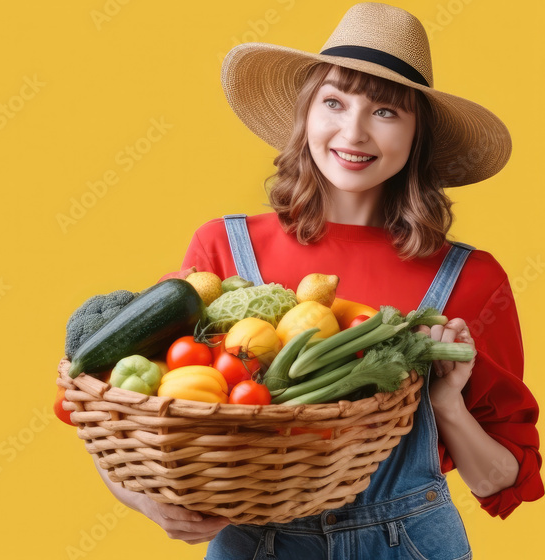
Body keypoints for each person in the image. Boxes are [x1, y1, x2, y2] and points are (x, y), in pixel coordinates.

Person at [87, 3, 544, 558]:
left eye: (386, 112)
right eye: (334, 102)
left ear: (416, 134)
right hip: (255, 544)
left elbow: (499, 480)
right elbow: (121, 411)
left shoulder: (469, 279)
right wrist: (151, 503)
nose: (353, 132)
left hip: (410, 543)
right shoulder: (224, 252)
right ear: (306, 116)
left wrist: (448, 402)